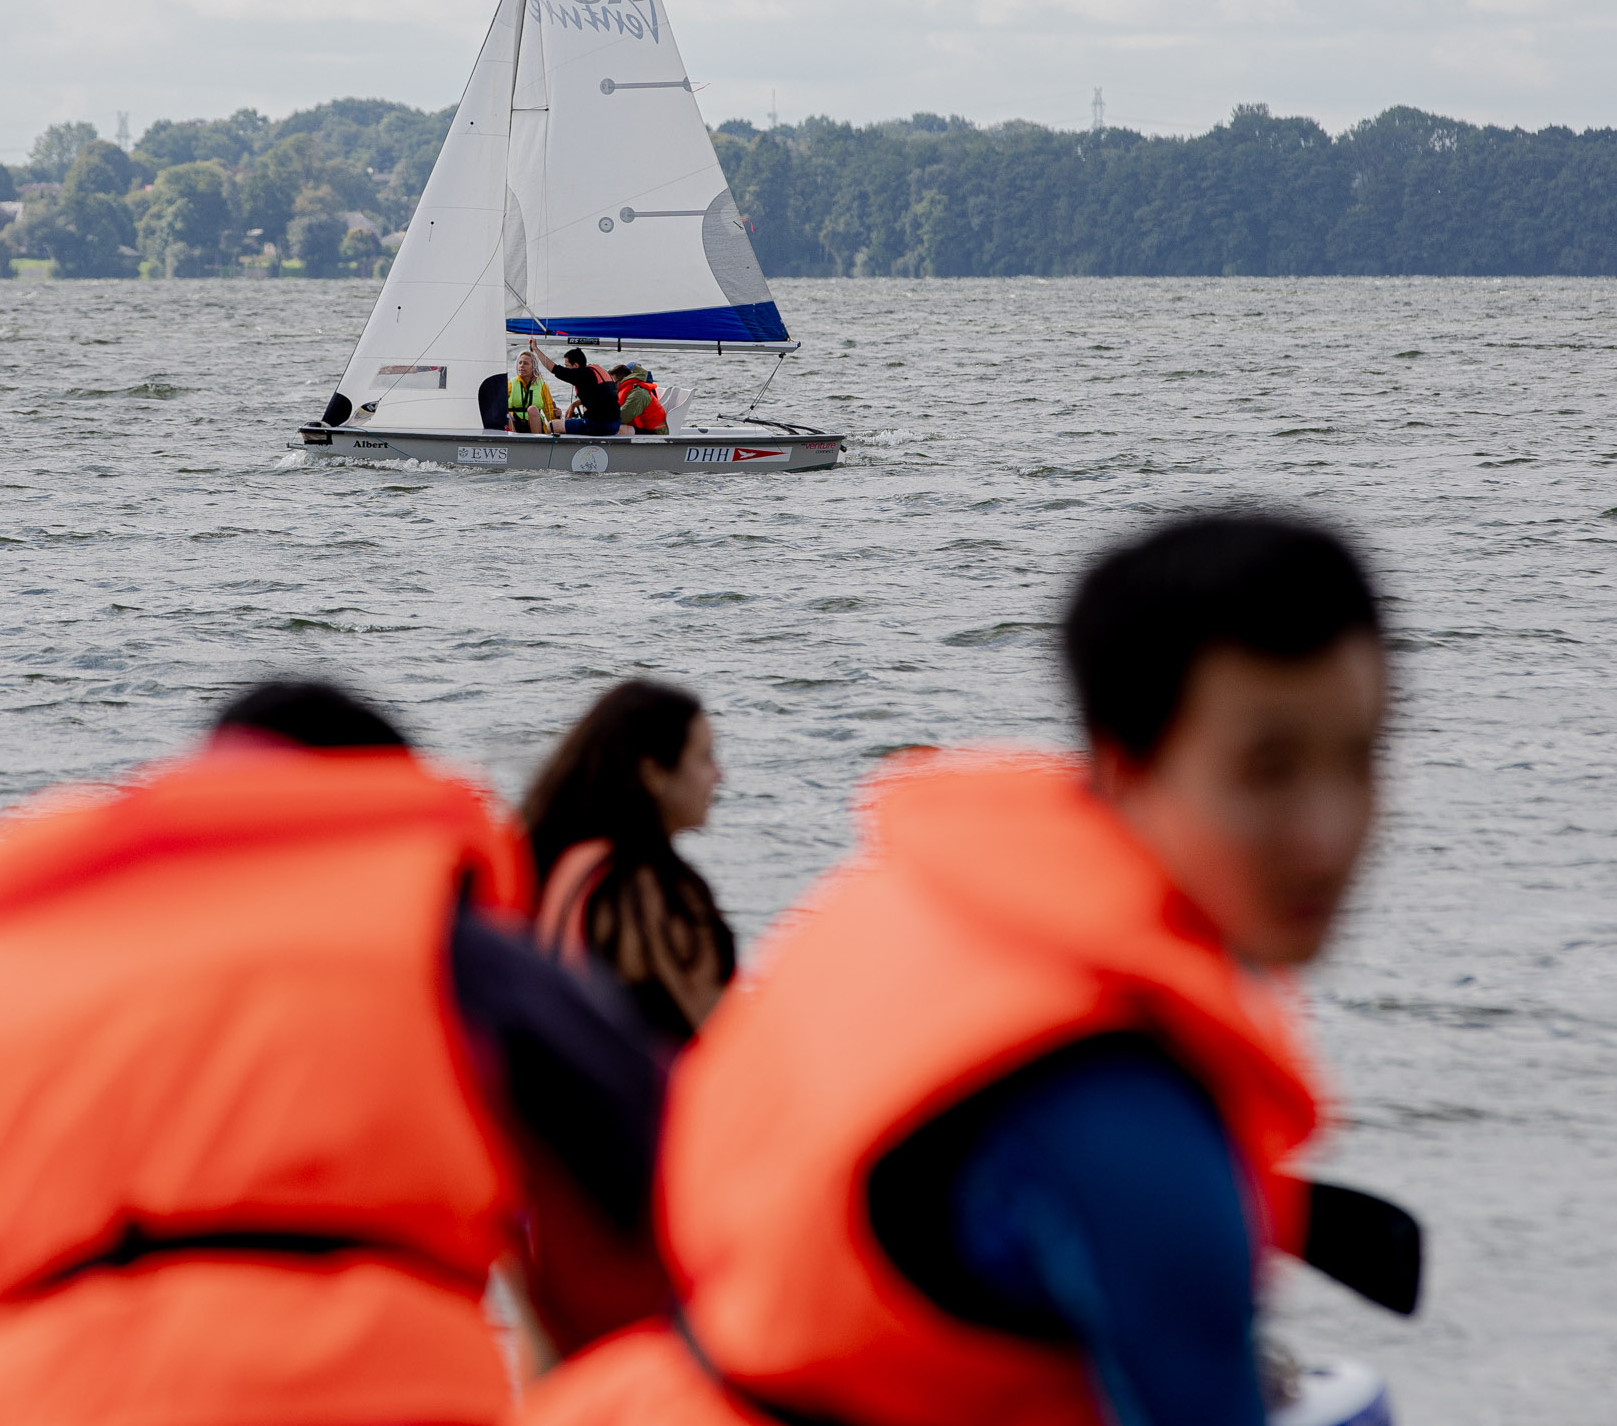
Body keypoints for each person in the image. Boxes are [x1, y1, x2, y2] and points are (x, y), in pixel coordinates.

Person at [525, 514, 1424, 1426]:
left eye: (1363, 758)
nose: (1327, 831)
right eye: (1266, 771)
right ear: (1126, 763)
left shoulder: (904, 905)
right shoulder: (1126, 1119)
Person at [0, 682, 669, 1426]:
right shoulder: (427, 930)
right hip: (349, 1392)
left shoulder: (8, 977)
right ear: (383, 803)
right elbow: (657, 1199)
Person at [523, 681, 736, 1044]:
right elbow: (722, 1037)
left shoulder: (571, 864)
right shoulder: (652, 892)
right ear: (653, 774)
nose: (719, 776)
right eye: (704, 758)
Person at [530, 343, 622, 436]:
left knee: (552, 426)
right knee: (569, 423)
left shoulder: (581, 374)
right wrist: (574, 404)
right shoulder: (595, 372)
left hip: (599, 425)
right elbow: (599, 396)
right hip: (615, 425)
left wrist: (536, 349)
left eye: (567, 366)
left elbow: (555, 369)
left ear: (576, 366)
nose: (566, 369)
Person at [508, 349, 558, 434]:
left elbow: (549, 412)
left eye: (526, 363)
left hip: (535, 423)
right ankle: (513, 441)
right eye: (520, 363)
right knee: (507, 414)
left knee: (532, 409)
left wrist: (557, 417)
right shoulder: (511, 384)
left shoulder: (542, 386)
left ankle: (537, 442)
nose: (521, 366)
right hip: (515, 424)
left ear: (533, 367)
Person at [611, 366, 668, 436]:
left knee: (614, 429)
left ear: (622, 379)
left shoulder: (638, 393)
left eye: (613, 383)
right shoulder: (629, 390)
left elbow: (624, 416)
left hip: (657, 432)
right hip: (644, 427)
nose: (611, 387)